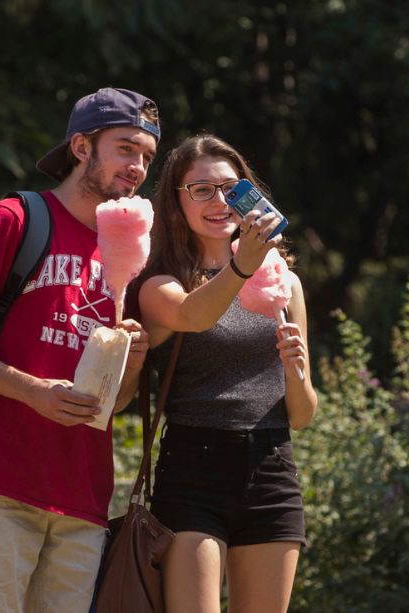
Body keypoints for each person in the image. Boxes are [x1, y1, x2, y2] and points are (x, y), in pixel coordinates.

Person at [0, 87, 160, 613]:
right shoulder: (14, 219)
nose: (138, 166)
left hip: (82, 499)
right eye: (125, 148)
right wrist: (33, 391)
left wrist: (135, 357)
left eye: (146, 155)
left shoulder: (129, 254)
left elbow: (112, 405)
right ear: (82, 147)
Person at [135, 134, 318, 613]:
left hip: (272, 464)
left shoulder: (285, 283)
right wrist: (241, 264)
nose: (220, 202)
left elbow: (302, 414)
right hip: (194, 466)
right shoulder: (160, 284)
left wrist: (295, 371)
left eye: (231, 188)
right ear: (176, 204)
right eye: (201, 190)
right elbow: (195, 315)